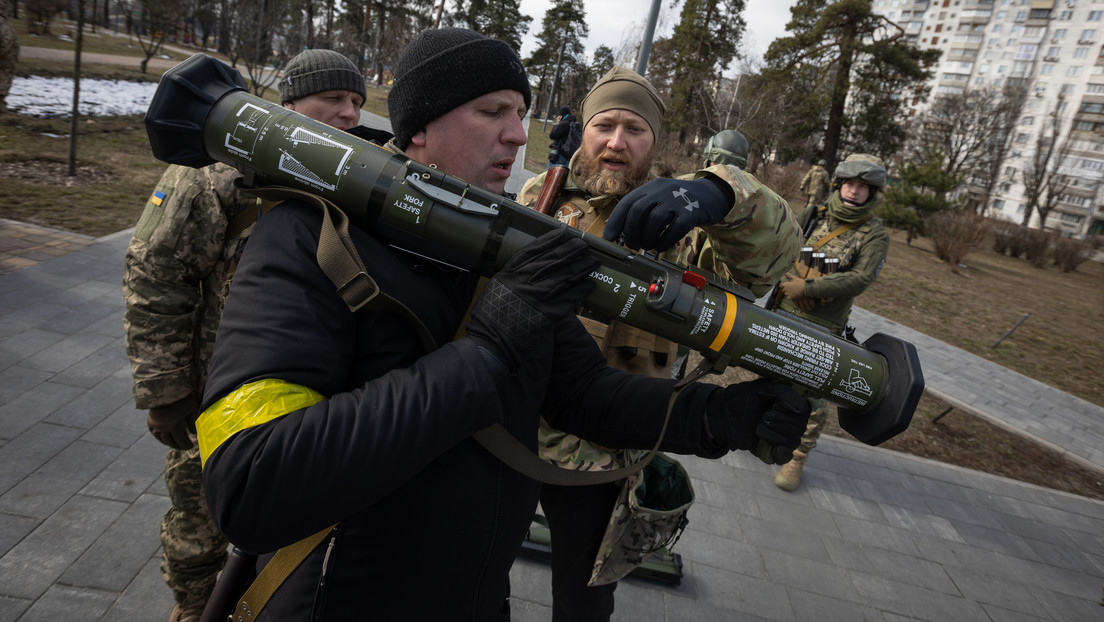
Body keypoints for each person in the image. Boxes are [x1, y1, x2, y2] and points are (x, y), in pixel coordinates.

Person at [194, 28, 810, 620]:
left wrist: (723, 417)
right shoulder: (310, 237)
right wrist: (490, 349)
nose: (520, 136)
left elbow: (584, 394)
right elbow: (251, 483)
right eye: (493, 112)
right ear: (420, 129)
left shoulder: (490, 240)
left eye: (520, 112)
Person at [518, 76, 802, 621]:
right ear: (584, 132)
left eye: (635, 129)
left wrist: (719, 194)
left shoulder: (685, 223)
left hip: (605, 454)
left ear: (656, 141)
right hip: (517, 427)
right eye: (603, 125)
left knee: (583, 601)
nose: (616, 142)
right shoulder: (544, 196)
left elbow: (775, 256)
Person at [123, 48, 368, 622]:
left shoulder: (352, 181)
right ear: (289, 103)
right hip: (214, 402)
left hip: (303, 406)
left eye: (355, 101)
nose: (349, 113)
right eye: (332, 98)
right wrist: (166, 391)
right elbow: (155, 273)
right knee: (198, 526)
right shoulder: (218, 171)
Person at [771, 153, 891, 492]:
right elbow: (781, 245)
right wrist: (788, 283)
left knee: (811, 390)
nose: (854, 192)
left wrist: (809, 287)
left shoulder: (874, 235)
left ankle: (797, 457)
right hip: (785, 309)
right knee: (773, 374)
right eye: (850, 184)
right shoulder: (815, 215)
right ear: (839, 185)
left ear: (873, 193)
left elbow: (859, 279)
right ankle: (766, 434)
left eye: (863, 187)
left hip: (823, 324)